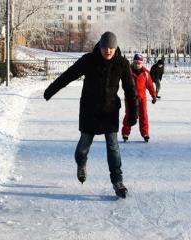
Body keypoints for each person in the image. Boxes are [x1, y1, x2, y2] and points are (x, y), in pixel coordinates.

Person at [43, 32, 138, 198]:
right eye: (104, 47)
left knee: (113, 147)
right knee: (83, 147)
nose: (107, 51)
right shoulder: (89, 60)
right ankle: (81, 163)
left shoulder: (122, 63)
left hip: (110, 111)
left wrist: (133, 114)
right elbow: (69, 75)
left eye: (111, 48)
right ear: (99, 47)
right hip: (90, 111)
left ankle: (118, 181)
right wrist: (51, 90)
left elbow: (130, 90)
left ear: (115, 48)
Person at [121, 53, 157, 143]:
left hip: (142, 98)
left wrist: (154, 95)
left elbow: (150, 85)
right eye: (136, 62)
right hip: (130, 98)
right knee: (129, 114)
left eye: (139, 63)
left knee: (143, 115)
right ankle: (125, 133)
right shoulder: (128, 71)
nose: (137, 65)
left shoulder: (145, 73)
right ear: (133, 62)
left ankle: (145, 133)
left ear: (142, 63)